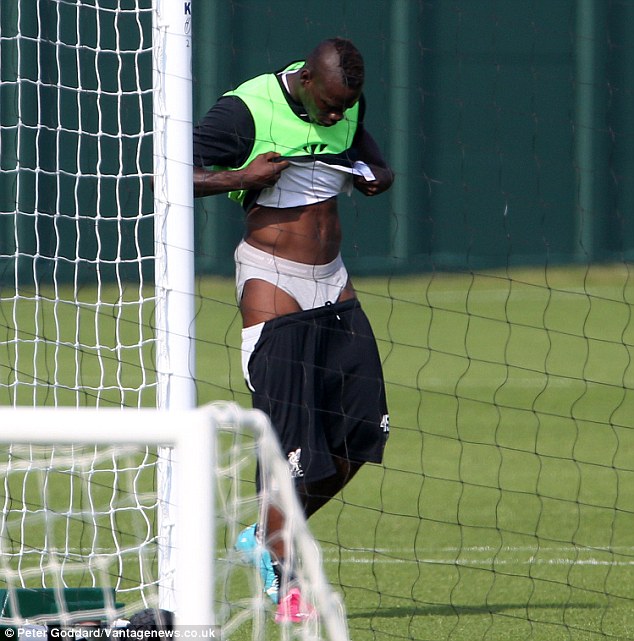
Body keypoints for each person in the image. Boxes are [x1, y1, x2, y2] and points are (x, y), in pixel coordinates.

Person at [192, 37, 393, 623]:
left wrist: (379, 176)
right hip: (273, 278)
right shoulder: (245, 109)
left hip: (334, 280)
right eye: (328, 106)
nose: (335, 117)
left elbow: (368, 152)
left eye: (343, 108)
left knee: (362, 431)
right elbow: (170, 173)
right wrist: (242, 174)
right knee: (291, 445)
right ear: (306, 79)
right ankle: (283, 575)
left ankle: (265, 534)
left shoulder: (346, 103)